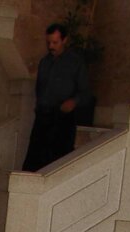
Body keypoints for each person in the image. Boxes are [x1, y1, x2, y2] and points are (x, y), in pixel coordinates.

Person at [21, 23, 91, 172]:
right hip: (42, 118)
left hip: (62, 119)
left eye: (55, 42)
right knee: (33, 163)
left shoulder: (75, 62)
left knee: (56, 163)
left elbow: (86, 93)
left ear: (64, 40)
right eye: (49, 43)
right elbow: (40, 89)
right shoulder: (45, 62)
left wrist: (73, 101)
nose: (51, 46)